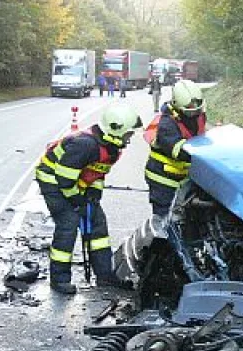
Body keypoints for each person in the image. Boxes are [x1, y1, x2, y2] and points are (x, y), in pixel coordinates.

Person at [35, 104, 143, 294]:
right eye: (128, 134)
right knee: (68, 223)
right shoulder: (85, 145)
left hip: (74, 182)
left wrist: (94, 193)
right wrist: (77, 202)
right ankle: (59, 280)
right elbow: (64, 179)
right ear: (115, 130)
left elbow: (97, 172)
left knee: (97, 222)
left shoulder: (111, 147)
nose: (129, 138)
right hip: (53, 181)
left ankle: (105, 275)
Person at [143, 79, 206, 216]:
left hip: (183, 176)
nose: (194, 114)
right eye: (189, 111)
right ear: (177, 106)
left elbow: (202, 136)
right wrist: (208, 153)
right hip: (162, 178)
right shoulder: (167, 124)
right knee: (165, 218)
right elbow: (180, 152)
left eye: (196, 110)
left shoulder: (198, 115)